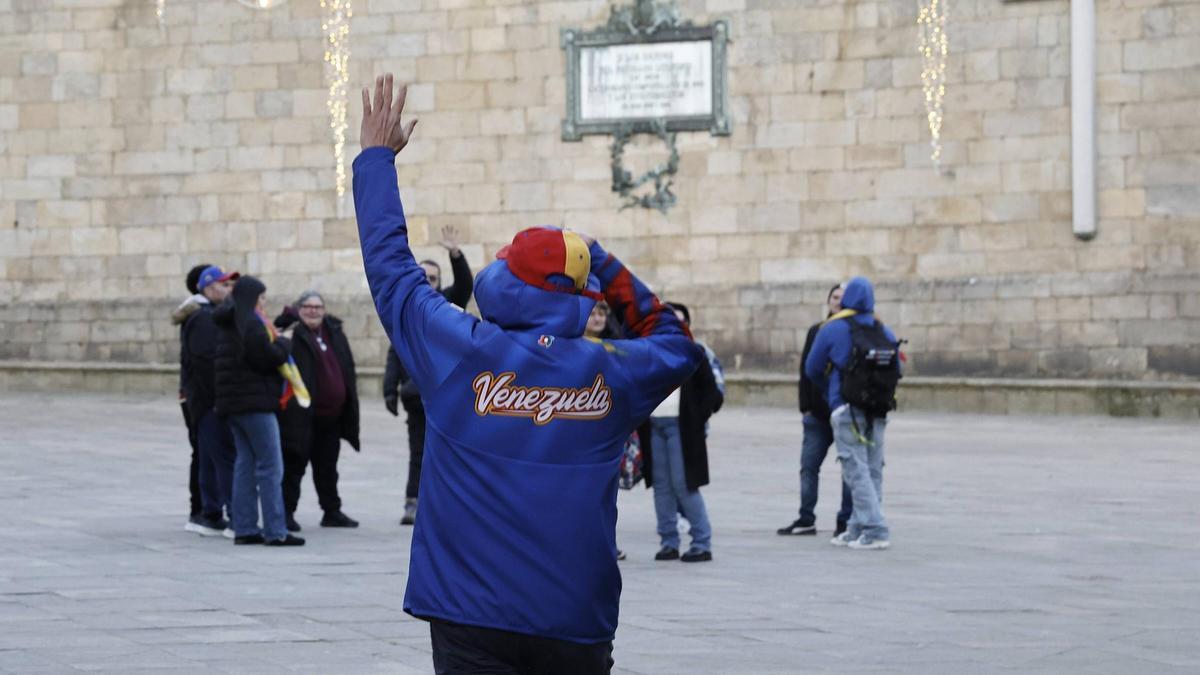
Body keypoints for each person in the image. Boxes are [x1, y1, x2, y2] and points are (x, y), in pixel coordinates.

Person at [353, 74, 702, 674]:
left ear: (505, 283)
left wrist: (375, 161)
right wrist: (604, 263)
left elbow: (391, 267)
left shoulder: (458, 350)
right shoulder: (612, 372)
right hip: (574, 615)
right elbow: (674, 339)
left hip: (469, 612)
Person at [383, 225, 473, 526]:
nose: (428, 283)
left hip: (449, 392)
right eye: (423, 278)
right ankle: (412, 502)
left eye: (433, 278)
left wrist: (455, 254)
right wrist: (389, 390)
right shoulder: (409, 311)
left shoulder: (447, 304)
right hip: (416, 394)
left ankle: (446, 505)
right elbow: (395, 353)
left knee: (449, 451)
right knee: (418, 451)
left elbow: (464, 286)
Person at [804, 276, 901, 551]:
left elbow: (812, 368)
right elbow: (898, 369)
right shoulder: (883, 328)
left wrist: (831, 394)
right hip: (879, 408)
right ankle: (856, 527)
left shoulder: (833, 329)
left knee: (855, 470)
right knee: (872, 469)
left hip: (846, 408)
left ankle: (875, 528)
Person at [213, 276, 305, 547]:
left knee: (245, 465)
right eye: (262, 298)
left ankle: (244, 528)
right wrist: (285, 341)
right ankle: (276, 530)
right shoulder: (251, 322)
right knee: (270, 466)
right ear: (253, 298)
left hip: (234, 405)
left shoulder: (231, 321)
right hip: (255, 404)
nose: (264, 303)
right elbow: (265, 358)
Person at [637, 302, 724, 563]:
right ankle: (668, 542)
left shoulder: (693, 352)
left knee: (684, 484)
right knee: (661, 487)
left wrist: (696, 417)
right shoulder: (648, 351)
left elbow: (712, 393)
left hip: (681, 427)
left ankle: (701, 541)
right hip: (653, 426)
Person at [274, 291, 362, 532]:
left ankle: (331, 511)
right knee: (294, 465)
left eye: (318, 307)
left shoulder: (333, 332)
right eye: (308, 307)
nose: (313, 311)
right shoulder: (292, 332)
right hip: (301, 415)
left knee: (328, 467)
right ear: (299, 309)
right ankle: (286, 513)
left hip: (332, 416)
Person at [778, 284, 854, 537]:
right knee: (809, 466)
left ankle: (845, 520)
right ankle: (806, 517)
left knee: (849, 469)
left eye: (842, 298)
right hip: (818, 415)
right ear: (828, 301)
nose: (837, 302)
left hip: (844, 411)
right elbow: (806, 371)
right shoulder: (817, 331)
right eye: (834, 297)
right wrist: (806, 407)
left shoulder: (856, 330)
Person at [179, 265, 240, 538]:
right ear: (208, 288)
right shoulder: (204, 319)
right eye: (224, 285)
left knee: (210, 458)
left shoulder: (208, 315)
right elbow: (206, 363)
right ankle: (229, 513)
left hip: (206, 401)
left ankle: (209, 512)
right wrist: (219, 400)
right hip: (209, 402)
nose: (229, 290)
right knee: (222, 458)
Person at [171, 262, 212, 533]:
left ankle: (204, 507)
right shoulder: (199, 315)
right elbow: (201, 360)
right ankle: (199, 510)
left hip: (197, 394)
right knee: (202, 451)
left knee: (204, 451)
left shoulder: (203, 312)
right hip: (199, 396)